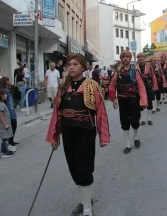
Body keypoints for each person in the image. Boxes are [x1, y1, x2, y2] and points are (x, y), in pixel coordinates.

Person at [46, 53, 110, 216]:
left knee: (84, 170)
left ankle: (87, 208)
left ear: (83, 67)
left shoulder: (92, 85)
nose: (71, 67)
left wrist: (103, 136)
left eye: (75, 64)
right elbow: (56, 113)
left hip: (85, 133)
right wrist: (54, 135)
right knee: (74, 169)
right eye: (69, 64)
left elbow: (101, 112)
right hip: (68, 133)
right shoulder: (63, 87)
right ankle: (84, 200)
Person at [109, 50, 147, 154]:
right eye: (123, 56)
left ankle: (136, 137)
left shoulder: (135, 71)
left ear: (130, 59)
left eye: (127, 57)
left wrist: (143, 100)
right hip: (122, 100)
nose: (125, 58)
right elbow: (112, 85)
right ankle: (127, 144)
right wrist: (114, 99)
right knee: (124, 122)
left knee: (135, 121)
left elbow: (141, 86)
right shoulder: (117, 71)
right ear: (121, 58)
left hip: (133, 99)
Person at [136, 53, 158, 125]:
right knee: (141, 104)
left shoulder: (149, 66)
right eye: (139, 57)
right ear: (137, 58)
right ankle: (142, 119)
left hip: (148, 87)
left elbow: (153, 76)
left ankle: (149, 118)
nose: (141, 58)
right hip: (138, 88)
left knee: (149, 103)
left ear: (144, 58)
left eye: (142, 57)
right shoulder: (134, 67)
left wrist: (154, 86)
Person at [0, 77, 19, 147]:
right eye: (8, 80)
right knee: (12, 125)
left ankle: (11, 141)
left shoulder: (7, 90)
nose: (9, 81)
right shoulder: (4, 91)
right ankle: (9, 142)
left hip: (11, 110)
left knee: (13, 125)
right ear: (5, 82)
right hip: (8, 111)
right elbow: (2, 101)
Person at [0, 90, 15, 158]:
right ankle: (4, 152)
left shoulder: (2, 104)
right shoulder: (0, 105)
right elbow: (1, 116)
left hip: (5, 125)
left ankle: (6, 149)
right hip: (3, 126)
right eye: (5, 94)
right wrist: (5, 124)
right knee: (4, 139)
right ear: (1, 96)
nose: (6, 95)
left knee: (6, 138)